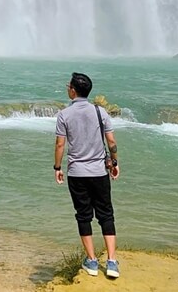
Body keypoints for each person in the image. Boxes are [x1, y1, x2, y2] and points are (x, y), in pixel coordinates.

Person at [54, 72, 120, 278]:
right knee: (106, 214)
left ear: (73, 90)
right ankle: (111, 262)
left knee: (83, 215)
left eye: (68, 85)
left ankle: (91, 261)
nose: (67, 88)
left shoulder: (64, 115)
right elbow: (111, 142)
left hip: (77, 173)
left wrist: (57, 167)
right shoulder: (101, 112)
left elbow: (60, 144)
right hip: (99, 172)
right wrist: (114, 162)